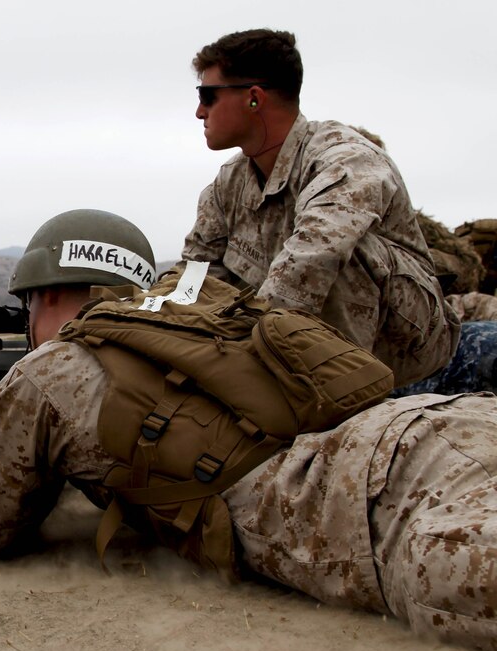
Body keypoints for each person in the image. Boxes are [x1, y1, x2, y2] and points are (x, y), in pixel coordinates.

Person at [0, 217, 497, 651]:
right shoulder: (204, 309)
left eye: (26, 303)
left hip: (388, 501)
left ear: (48, 293)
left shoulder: (47, 371)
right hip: (444, 421)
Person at [181, 29, 465, 390]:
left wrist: (238, 363)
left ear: (253, 99)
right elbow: (195, 275)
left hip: (406, 343)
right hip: (291, 331)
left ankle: (340, 401)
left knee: (340, 251)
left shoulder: (344, 158)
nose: (199, 111)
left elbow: (310, 261)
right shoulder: (229, 184)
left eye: (208, 95)